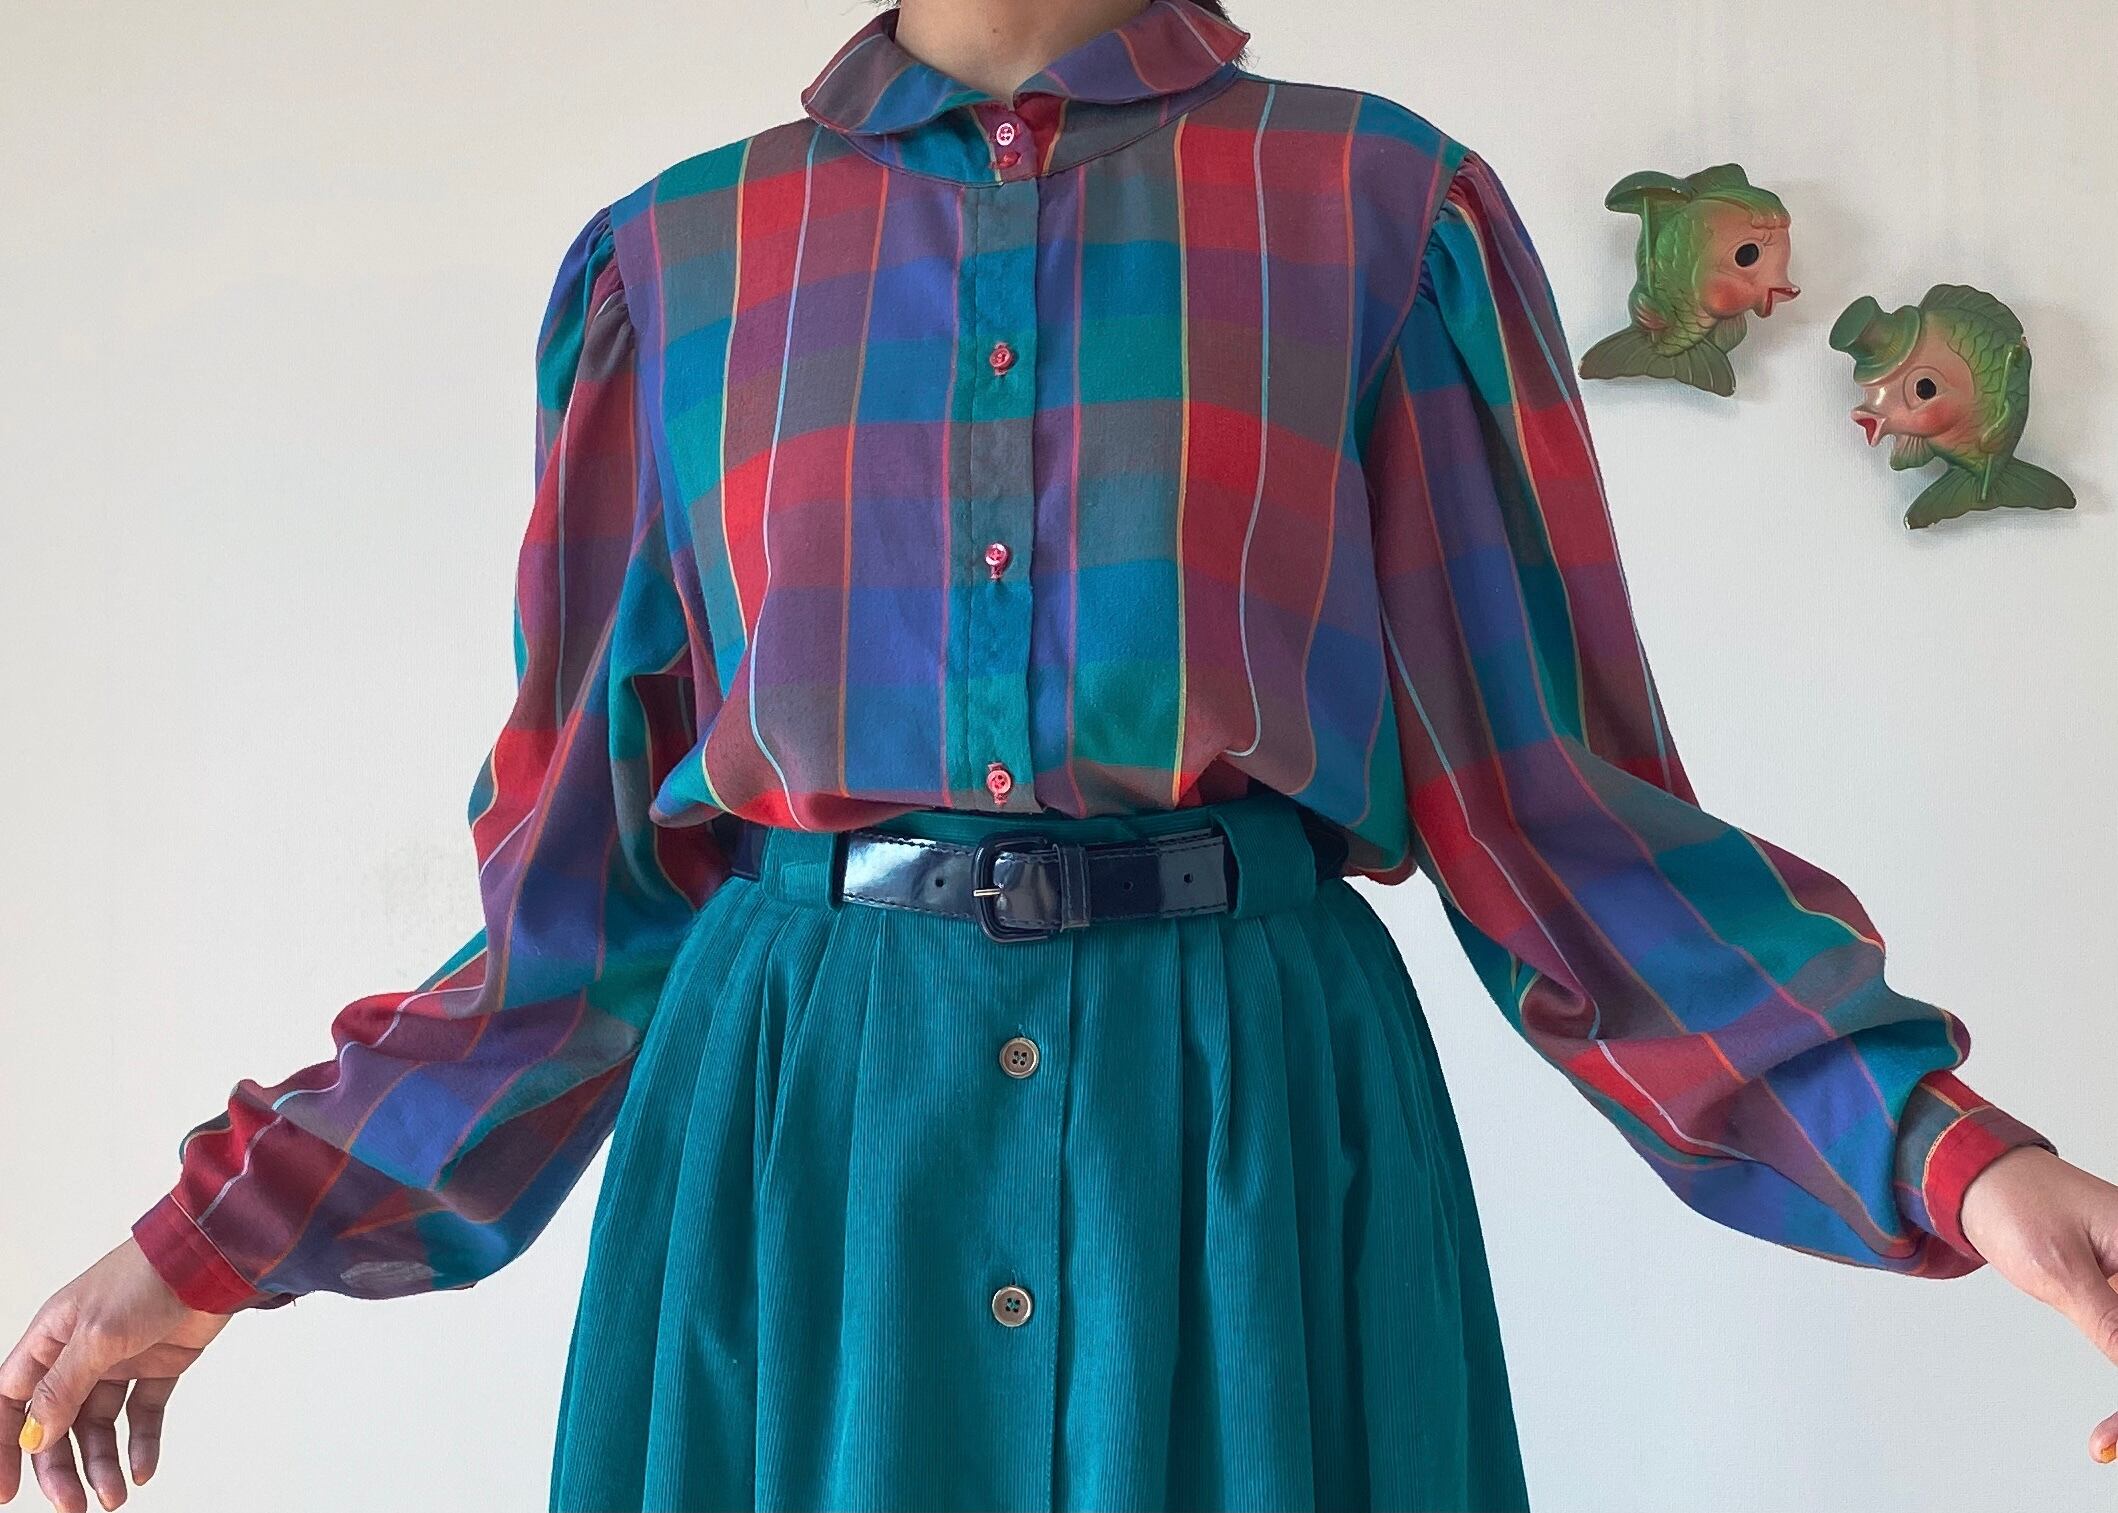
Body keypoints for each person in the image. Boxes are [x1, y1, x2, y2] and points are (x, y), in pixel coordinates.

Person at [6, 1, 2117, 1509]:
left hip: (1248, 1164)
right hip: (810, 1176)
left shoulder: (1382, 212)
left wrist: (1953, 1154)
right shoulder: (678, 265)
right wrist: (213, 1240)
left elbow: (1560, 816)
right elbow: (570, 914)